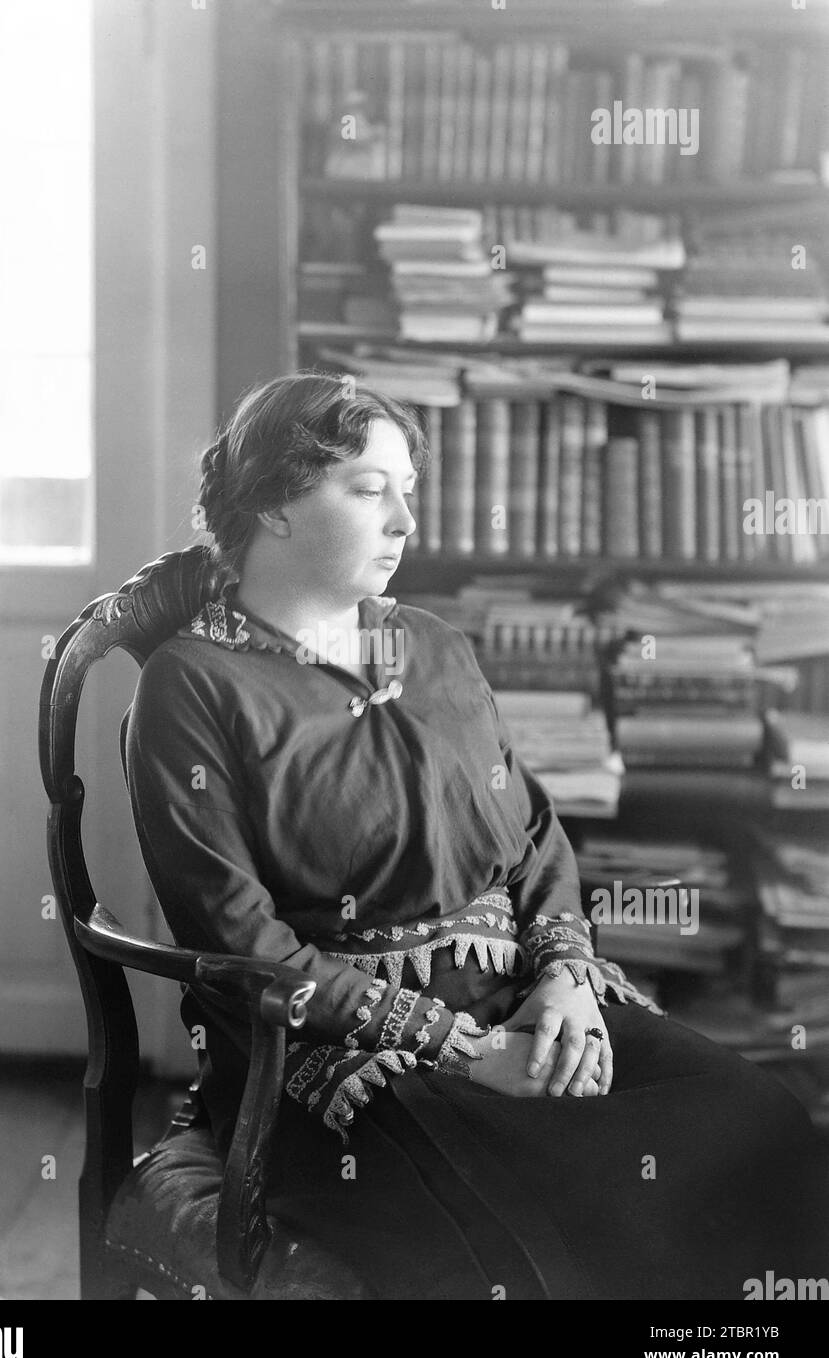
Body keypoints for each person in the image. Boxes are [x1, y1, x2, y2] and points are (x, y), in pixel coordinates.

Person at [124, 371, 828, 1300]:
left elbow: (532, 831)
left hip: (522, 999)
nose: (405, 522)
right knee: (558, 1203)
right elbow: (238, 940)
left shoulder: (432, 644)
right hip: (339, 1052)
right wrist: (467, 1051)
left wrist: (566, 982)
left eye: (406, 490)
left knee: (758, 1124)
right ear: (273, 505)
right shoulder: (193, 686)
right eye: (369, 490)